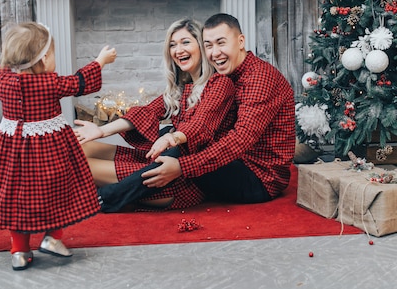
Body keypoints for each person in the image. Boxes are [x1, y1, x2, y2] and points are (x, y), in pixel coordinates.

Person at [0, 21, 116, 271]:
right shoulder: (51, 83)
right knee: (58, 191)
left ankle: (19, 250)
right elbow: (82, 82)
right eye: (53, 55)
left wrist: (8, 62)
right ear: (44, 58)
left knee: (16, 197)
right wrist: (100, 61)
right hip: (50, 150)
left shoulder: (2, 82)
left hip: (12, 151)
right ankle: (52, 238)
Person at [94, 13, 296, 207]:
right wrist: (101, 131)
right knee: (170, 135)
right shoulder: (221, 75)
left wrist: (182, 166)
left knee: (184, 147)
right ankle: (125, 178)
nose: (215, 53)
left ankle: (108, 197)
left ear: (241, 41)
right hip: (233, 159)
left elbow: (239, 140)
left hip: (259, 176)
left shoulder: (259, 78)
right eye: (208, 45)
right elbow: (156, 109)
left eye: (221, 43)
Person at [74, 18, 236, 211]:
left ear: (202, 47)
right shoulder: (182, 88)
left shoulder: (220, 84)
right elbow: (147, 112)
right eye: (172, 45)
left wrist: (170, 137)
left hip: (178, 180)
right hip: (158, 161)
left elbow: (199, 126)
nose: (178, 50)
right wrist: (100, 131)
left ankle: (90, 197)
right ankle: (85, 191)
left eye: (185, 42)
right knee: (79, 148)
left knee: (71, 163)